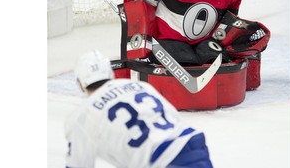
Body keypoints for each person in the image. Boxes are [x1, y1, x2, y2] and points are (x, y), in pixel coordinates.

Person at [64, 50, 214, 168]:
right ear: (110, 73)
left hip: (160, 159)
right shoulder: (140, 86)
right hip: (193, 143)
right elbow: (173, 117)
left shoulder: (82, 116)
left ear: (79, 83)